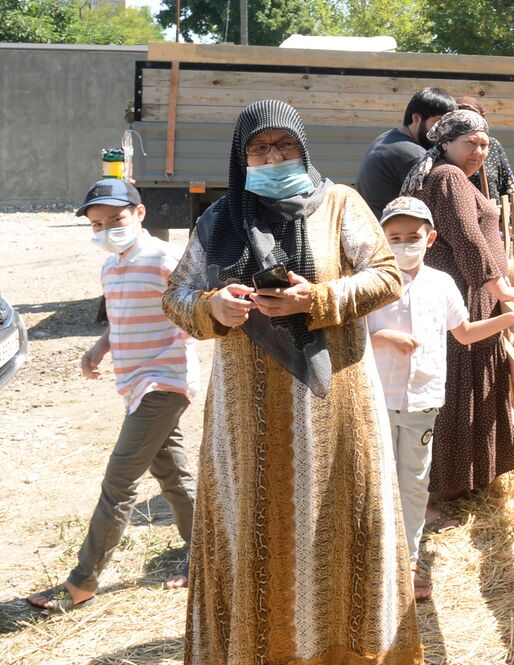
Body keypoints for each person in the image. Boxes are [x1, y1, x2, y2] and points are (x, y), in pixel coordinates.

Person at [163, 100, 419, 664]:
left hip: (336, 409)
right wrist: (212, 307)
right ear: (242, 157)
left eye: (285, 145)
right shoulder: (219, 220)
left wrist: (317, 298)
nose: (273, 157)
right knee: (253, 530)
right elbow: (176, 295)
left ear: (304, 148)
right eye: (259, 148)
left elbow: (387, 276)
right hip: (245, 421)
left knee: (339, 522)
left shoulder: (340, 204)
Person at [27, 180, 199, 612]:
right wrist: (100, 347)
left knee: (118, 483)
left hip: (164, 382)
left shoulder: (165, 258)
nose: (107, 230)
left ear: (140, 214)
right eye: (98, 224)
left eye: (116, 219)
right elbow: (121, 317)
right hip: (136, 387)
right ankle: (205, 556)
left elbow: (197, 306)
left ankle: (82, 582)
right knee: (174, 477)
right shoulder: (111, 266)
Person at [369, 195, 514, 600]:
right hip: (377, 398)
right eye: (395, 237)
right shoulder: (374, 284)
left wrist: (508, 318)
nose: (405, 244)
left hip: (423, 400)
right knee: (378, 481)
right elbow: (350, 332)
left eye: (413, 236)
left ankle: (409, 562)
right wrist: (383, 336)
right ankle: (377, 563)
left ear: (430, 239)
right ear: (381, 239)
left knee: (414, 483)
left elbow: (463, 333)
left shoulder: (441, 283)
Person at [401, 110, 514, 503]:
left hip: (469, 290)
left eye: (484, 144)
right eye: (469, 143)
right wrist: (500, 286)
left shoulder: (448, 174)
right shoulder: (448, 177)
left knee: (463, 383)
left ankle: (460, 479)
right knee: (461, 385)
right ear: (445, 143)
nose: (478, 151)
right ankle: (448, 483)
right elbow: (466, 236)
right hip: (467, 293)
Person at [356, 87, 457, 217]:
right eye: (438, 122)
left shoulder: (389, 137)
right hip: (389, 228)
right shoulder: (414, 156)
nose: (445, 130)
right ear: (416, 118)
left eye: (449, 124)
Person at [456, 96, 514, 200]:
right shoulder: (449, 144)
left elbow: (508, 184)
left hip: (493, 207)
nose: (468, 123)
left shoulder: (492, 145)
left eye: (473, 118)